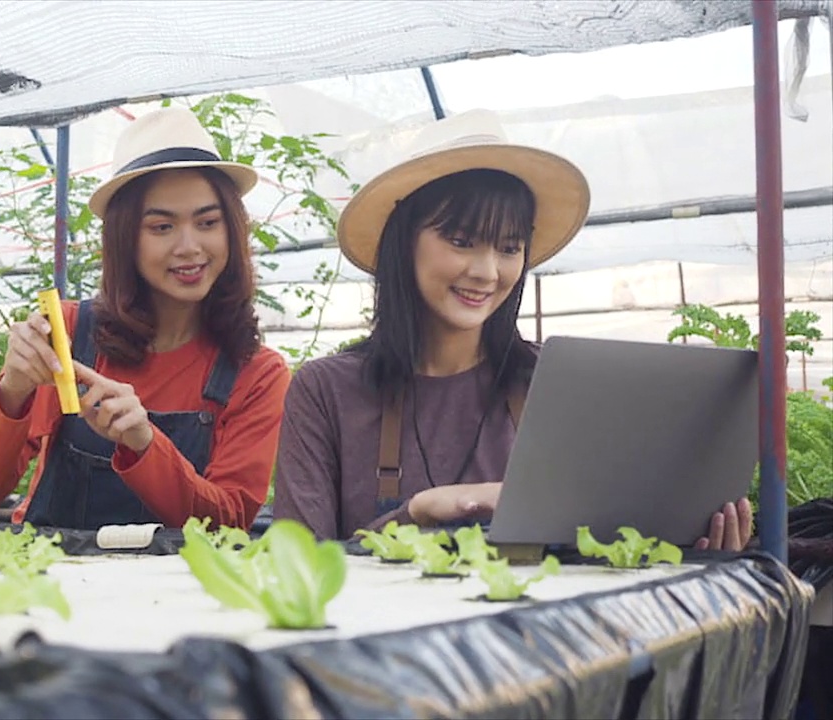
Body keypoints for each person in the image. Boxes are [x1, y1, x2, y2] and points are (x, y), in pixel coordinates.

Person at [272, 109, 752, 550]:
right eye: (461, 241)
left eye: (508, 247)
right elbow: (296, 568)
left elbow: (601, 546)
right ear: (404, 244)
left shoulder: (556, 383)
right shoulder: (325, 391)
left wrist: (686, 545)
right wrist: (417, 512)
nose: (487, 272)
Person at [0, 107, 290, 531]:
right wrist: (14, 387)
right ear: (124, 238)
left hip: (177, 592)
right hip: (54, 582)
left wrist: (144, 444)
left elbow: (227, 525)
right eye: (161, 227)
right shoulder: (72, 332)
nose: (189, 246)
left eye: (208, 222)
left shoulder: (257, 374)